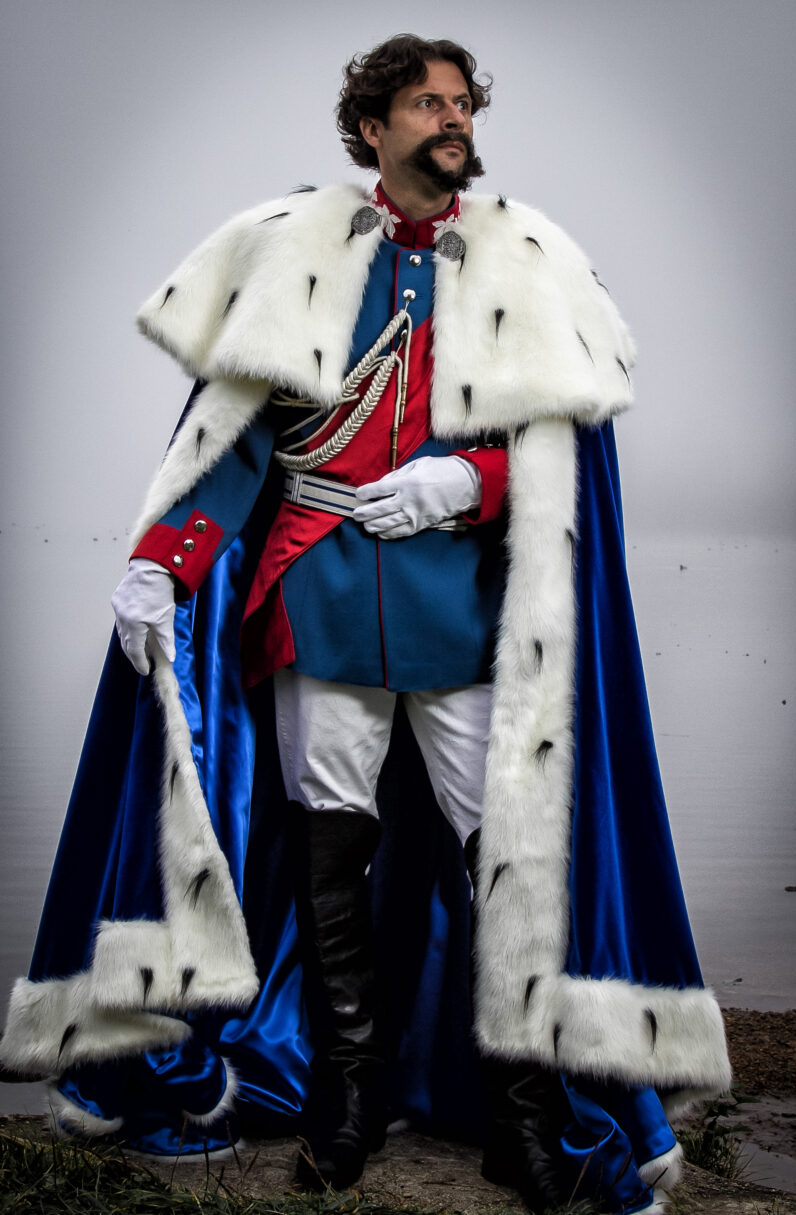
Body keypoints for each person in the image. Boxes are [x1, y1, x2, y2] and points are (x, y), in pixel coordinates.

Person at [0, 34, 731, 1215]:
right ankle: (346, 1097)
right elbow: (240, 436)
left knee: (509, 859)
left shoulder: (527, 265)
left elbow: (557, 448)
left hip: (464, 607)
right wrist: (163, 565)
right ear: (372, 129)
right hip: (321, 594)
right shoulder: (297, 259)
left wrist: (469, 483)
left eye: (461, 102)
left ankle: (524, 1120)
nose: (452, 119)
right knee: (331, 850)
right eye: (426, 104)